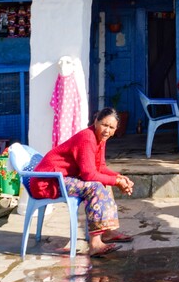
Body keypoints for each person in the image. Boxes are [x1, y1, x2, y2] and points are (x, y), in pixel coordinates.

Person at [29, 107, 136, 257]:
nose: (107, 130)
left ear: (115, 130)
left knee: (105, 184)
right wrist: (116, 182)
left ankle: (107, 232)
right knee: (95, 187)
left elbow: (101, 167)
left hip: (62, 178)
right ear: (96, 122)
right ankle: (95, 244)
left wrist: (119, 178)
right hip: (47, 182)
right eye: (104, 125)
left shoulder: (100, 139)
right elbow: (89, 174)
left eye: (111, 127)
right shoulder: (87, 138)